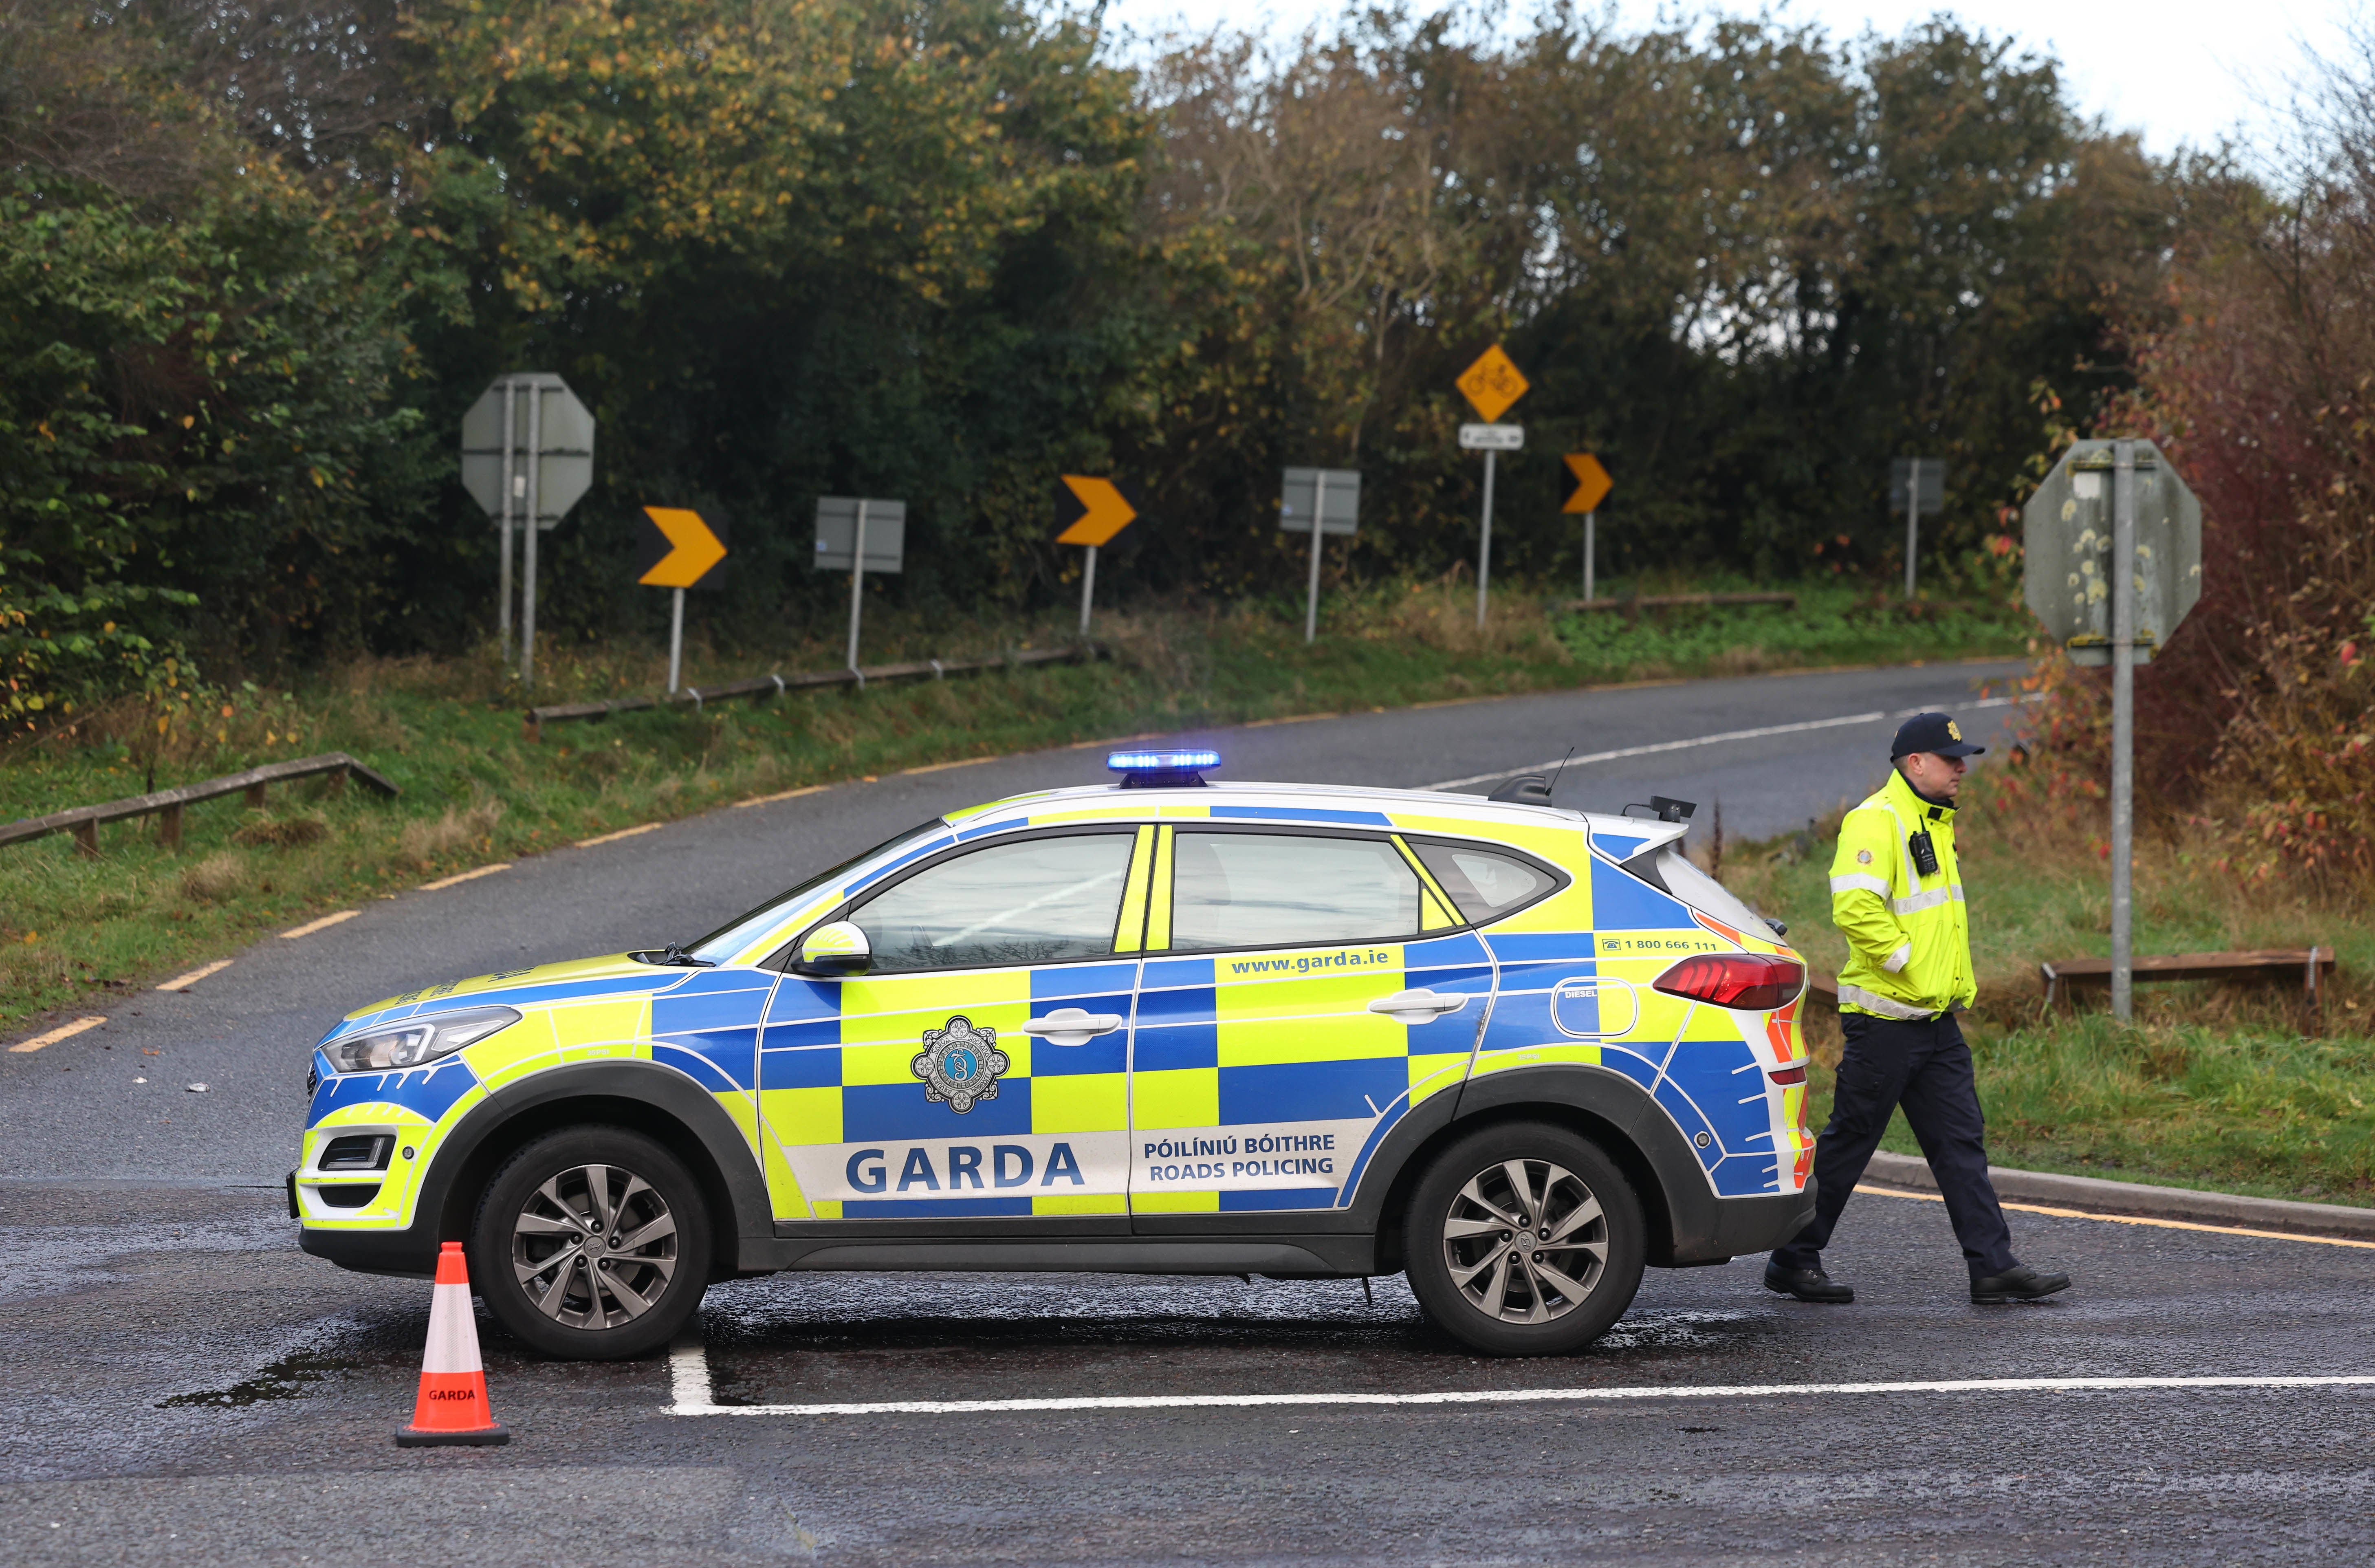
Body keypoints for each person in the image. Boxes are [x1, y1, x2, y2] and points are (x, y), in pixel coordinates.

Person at [1765, 711, 2071, 1306]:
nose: (1962, 768)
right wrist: (1905, 961)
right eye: (1950, 758)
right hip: (1884, 1021)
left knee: (1961, 1145)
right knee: (1850, 1141)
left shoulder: (1934, 822)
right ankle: (1792, 1257)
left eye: (1962, 759)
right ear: (1914, 764)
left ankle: (1992, 1266)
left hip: (1935, 1023)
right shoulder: (1875, 821)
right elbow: (1854, 908)